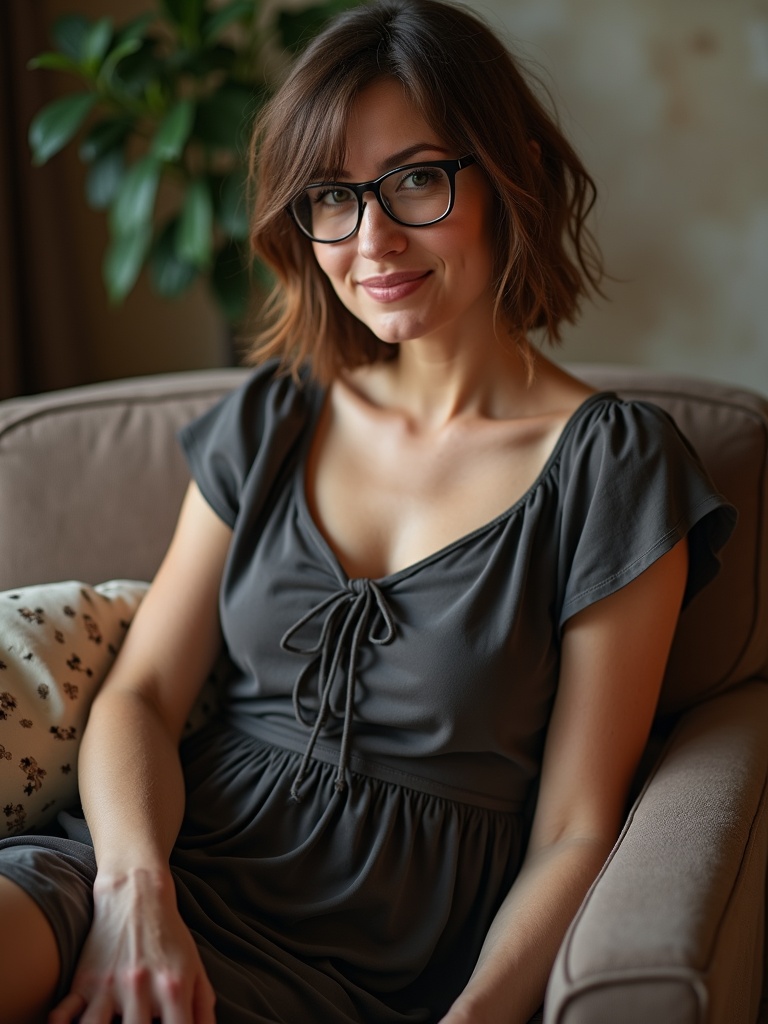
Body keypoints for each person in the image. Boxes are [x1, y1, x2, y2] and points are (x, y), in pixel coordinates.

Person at [0, 1, 735, 1022]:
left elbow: (575, 824)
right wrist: (135, 896)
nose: (372, 238)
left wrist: (475, 1016)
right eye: (332, 198)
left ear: (509, 171)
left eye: (417, 180)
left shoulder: (612, 465)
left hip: (369, 967)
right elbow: (141, 700)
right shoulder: (276, 415)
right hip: (145, 872)